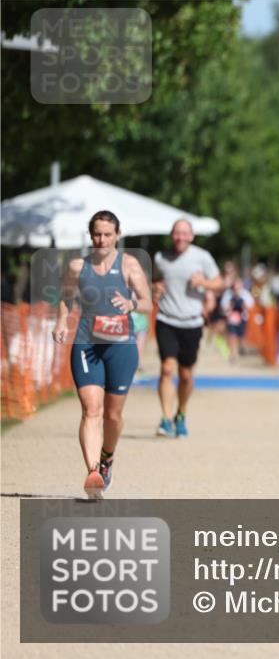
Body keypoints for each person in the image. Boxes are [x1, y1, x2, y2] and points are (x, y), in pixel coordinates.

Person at [52, 210, 152, 498]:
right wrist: (61, 321)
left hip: (121, 346)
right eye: (97, 233)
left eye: (108, 234)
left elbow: (147, 303)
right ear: (90, 234)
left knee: (113, 415)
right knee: (91, 409)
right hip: (87, 343)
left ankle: (107, 458)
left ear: (118, 235)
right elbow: (66, 298)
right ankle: (93, 472)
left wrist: (131, 304)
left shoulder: (129, 264)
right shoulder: (76, 266)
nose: (102, 239)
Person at [152, 219, 224, 438]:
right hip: (166, 319)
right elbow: (154, 280)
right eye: (177, 233)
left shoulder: (202, 257)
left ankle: (181, 413)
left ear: (192, 236)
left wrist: (204, 283)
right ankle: (165, 419)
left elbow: (220, 283)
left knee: (185, 375)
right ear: (171, 235)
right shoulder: (160, 258)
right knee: (166, 368)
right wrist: (155, 287)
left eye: (185, 233)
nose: (180, 237)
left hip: (192, 322)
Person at [220, 278, 254, 364]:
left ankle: (242, 349)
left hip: (243, 318)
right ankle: (233, 354)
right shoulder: (228, 294)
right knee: (232, 336)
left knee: (241, 336)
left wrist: (243, 304)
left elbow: (251, 306)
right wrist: (230, 305)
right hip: (232, 319)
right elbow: (223, 306)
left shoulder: (246, 294)